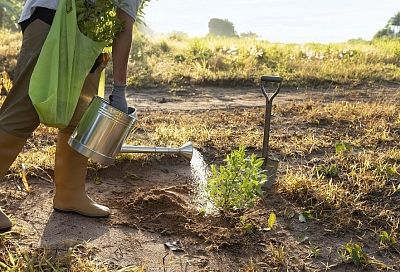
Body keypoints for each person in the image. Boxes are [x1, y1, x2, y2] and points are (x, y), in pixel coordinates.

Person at [0, 0, 141, 232]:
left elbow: (123, 22)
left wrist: (120, 89)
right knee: (24, 109)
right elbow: (123, 24)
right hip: (51, 20)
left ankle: (70, 193)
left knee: (79, 115)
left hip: (90, 38)